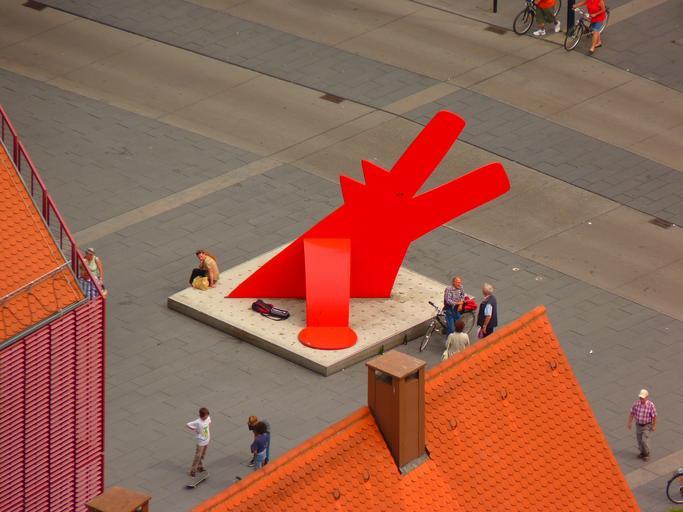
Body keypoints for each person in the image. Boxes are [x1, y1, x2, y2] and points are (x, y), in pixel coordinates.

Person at [627, 389, 657, 462]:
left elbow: (654, 416)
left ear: (647, 397)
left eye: (643, 398)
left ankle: (646, 454)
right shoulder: (636, 404)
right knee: (639, 440)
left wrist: (654, 425)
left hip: (647, 425)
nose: (641, 399)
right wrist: (629, 423)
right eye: (640, 398)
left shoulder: (651, 405)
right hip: (638, 425)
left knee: (644, 440)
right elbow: (632, 413)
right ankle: (642, 452)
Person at [186, 407, 211, 477]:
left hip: (207, 440)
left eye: (207, 415)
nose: (207, 417)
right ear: (202, 416)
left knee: (202, 455)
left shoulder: (208, 418)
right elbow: (188, 424)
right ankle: (193, 471)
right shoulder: (197, 422)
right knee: (198, 456)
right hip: (200, 441)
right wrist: (195, 429)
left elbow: (209, 424)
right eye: (206, 416)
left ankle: (199, 467)